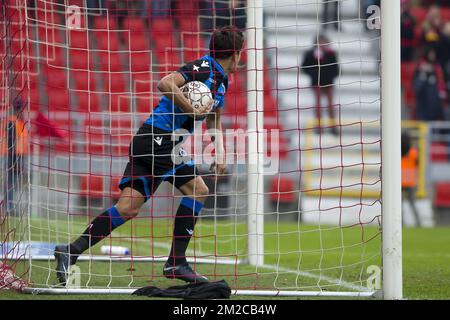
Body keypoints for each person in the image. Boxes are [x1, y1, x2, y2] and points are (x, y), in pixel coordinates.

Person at [54, 26, 244, 285]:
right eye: (240, 54)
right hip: (158, 140)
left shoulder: (222, 80)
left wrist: (220, 151)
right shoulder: (203, 68)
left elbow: (214, 117)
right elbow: (165, 83)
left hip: (154, 142)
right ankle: (176, 263)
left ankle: (70, 250)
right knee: (198, 190)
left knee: (128, 207)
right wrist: (191, 108)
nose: (240, 60)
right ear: (234, 55)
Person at [301, 35, 340, 135]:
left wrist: (330, 76)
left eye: (324, 42)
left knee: (330, 105)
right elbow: (304, 67)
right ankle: (318, 126)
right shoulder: (310, 54)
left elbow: (336, 69)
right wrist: (314, 74)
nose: (322, 44)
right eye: (320, 42)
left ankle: (333, 126)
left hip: (328, 83)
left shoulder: (331, 54)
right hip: (316, 83)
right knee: (318, 105)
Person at [1, 99, 28, 216]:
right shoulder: (12, 121)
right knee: (10, 184)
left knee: (13, 183)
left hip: (19, 156)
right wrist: (14, 162)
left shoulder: (20, 122)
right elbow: (11, 143)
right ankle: (9, 208)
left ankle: (10, 207)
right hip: (12, 156)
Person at [413, 48, 447, 121]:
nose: (432, 56)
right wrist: (423, 76)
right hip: (423, 109)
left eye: (433, 54)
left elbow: (441, 92)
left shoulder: (437, 70)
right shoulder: (420, 71)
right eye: (431, 54)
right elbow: (417, 89)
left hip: (435, 110)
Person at [401, 131, 421, 227]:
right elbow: (417, 165)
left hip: (399, 181)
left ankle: (401, 223)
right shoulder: (414, 152)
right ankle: (418, 223)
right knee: (412, 204)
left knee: (399, 205)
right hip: (410, 181)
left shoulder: (397, 152)